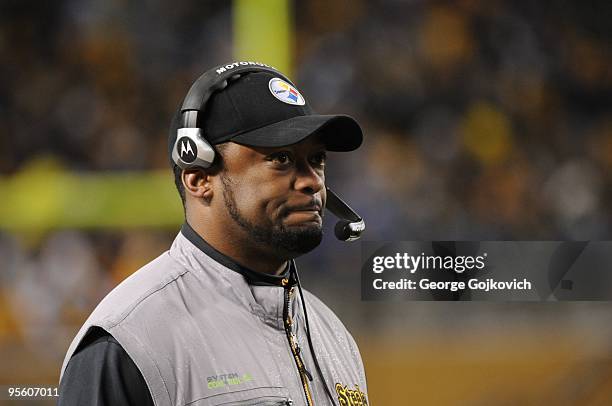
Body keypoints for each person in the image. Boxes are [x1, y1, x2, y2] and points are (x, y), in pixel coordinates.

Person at [58, 62, 369, 406]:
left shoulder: (334, 336)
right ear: (199, 178)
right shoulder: (129, 341)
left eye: (317, 159)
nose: (312, 180)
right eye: (281, 158)